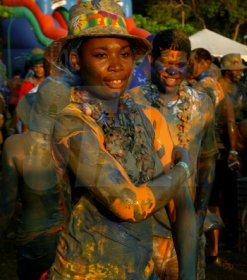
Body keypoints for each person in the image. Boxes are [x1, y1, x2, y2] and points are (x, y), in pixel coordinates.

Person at [43, 1, 191, 279]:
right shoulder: (72, 122)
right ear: (76, 61)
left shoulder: (138, 116)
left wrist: (188, 270)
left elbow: (177, 205)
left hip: (139, 268)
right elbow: (130, 205)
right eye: (100, 55)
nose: (116, 66)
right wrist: (181, 170)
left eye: (124, 54)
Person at [130, 29, 217, 280]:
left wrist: (200, 214)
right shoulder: (132, 103)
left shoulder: (202, 103)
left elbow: (208, 160)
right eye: (166, 63)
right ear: (151, 60)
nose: (172, 71)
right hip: (144, 226)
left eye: (180, 64)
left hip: (188, 226)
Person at [0, 77, 72, 280]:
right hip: (71, 237)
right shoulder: (75, 144)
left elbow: (7, 203)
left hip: (34, 239)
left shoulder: (14, 146)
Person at [187, 48, 239, 264]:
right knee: (213, 201)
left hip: (210, 154)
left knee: (209, 201)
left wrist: (233, 151)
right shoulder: (216, 90)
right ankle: (213, 248)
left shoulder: (203, 90)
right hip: (212, 153)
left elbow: (229, 122)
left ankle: (212, 248)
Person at [218, 53, 247, 122]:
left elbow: (245, 108)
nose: (240, 73)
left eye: (241, 70)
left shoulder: (240, 86)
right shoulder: (217, 86)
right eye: (236, 70)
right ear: (226, 71)